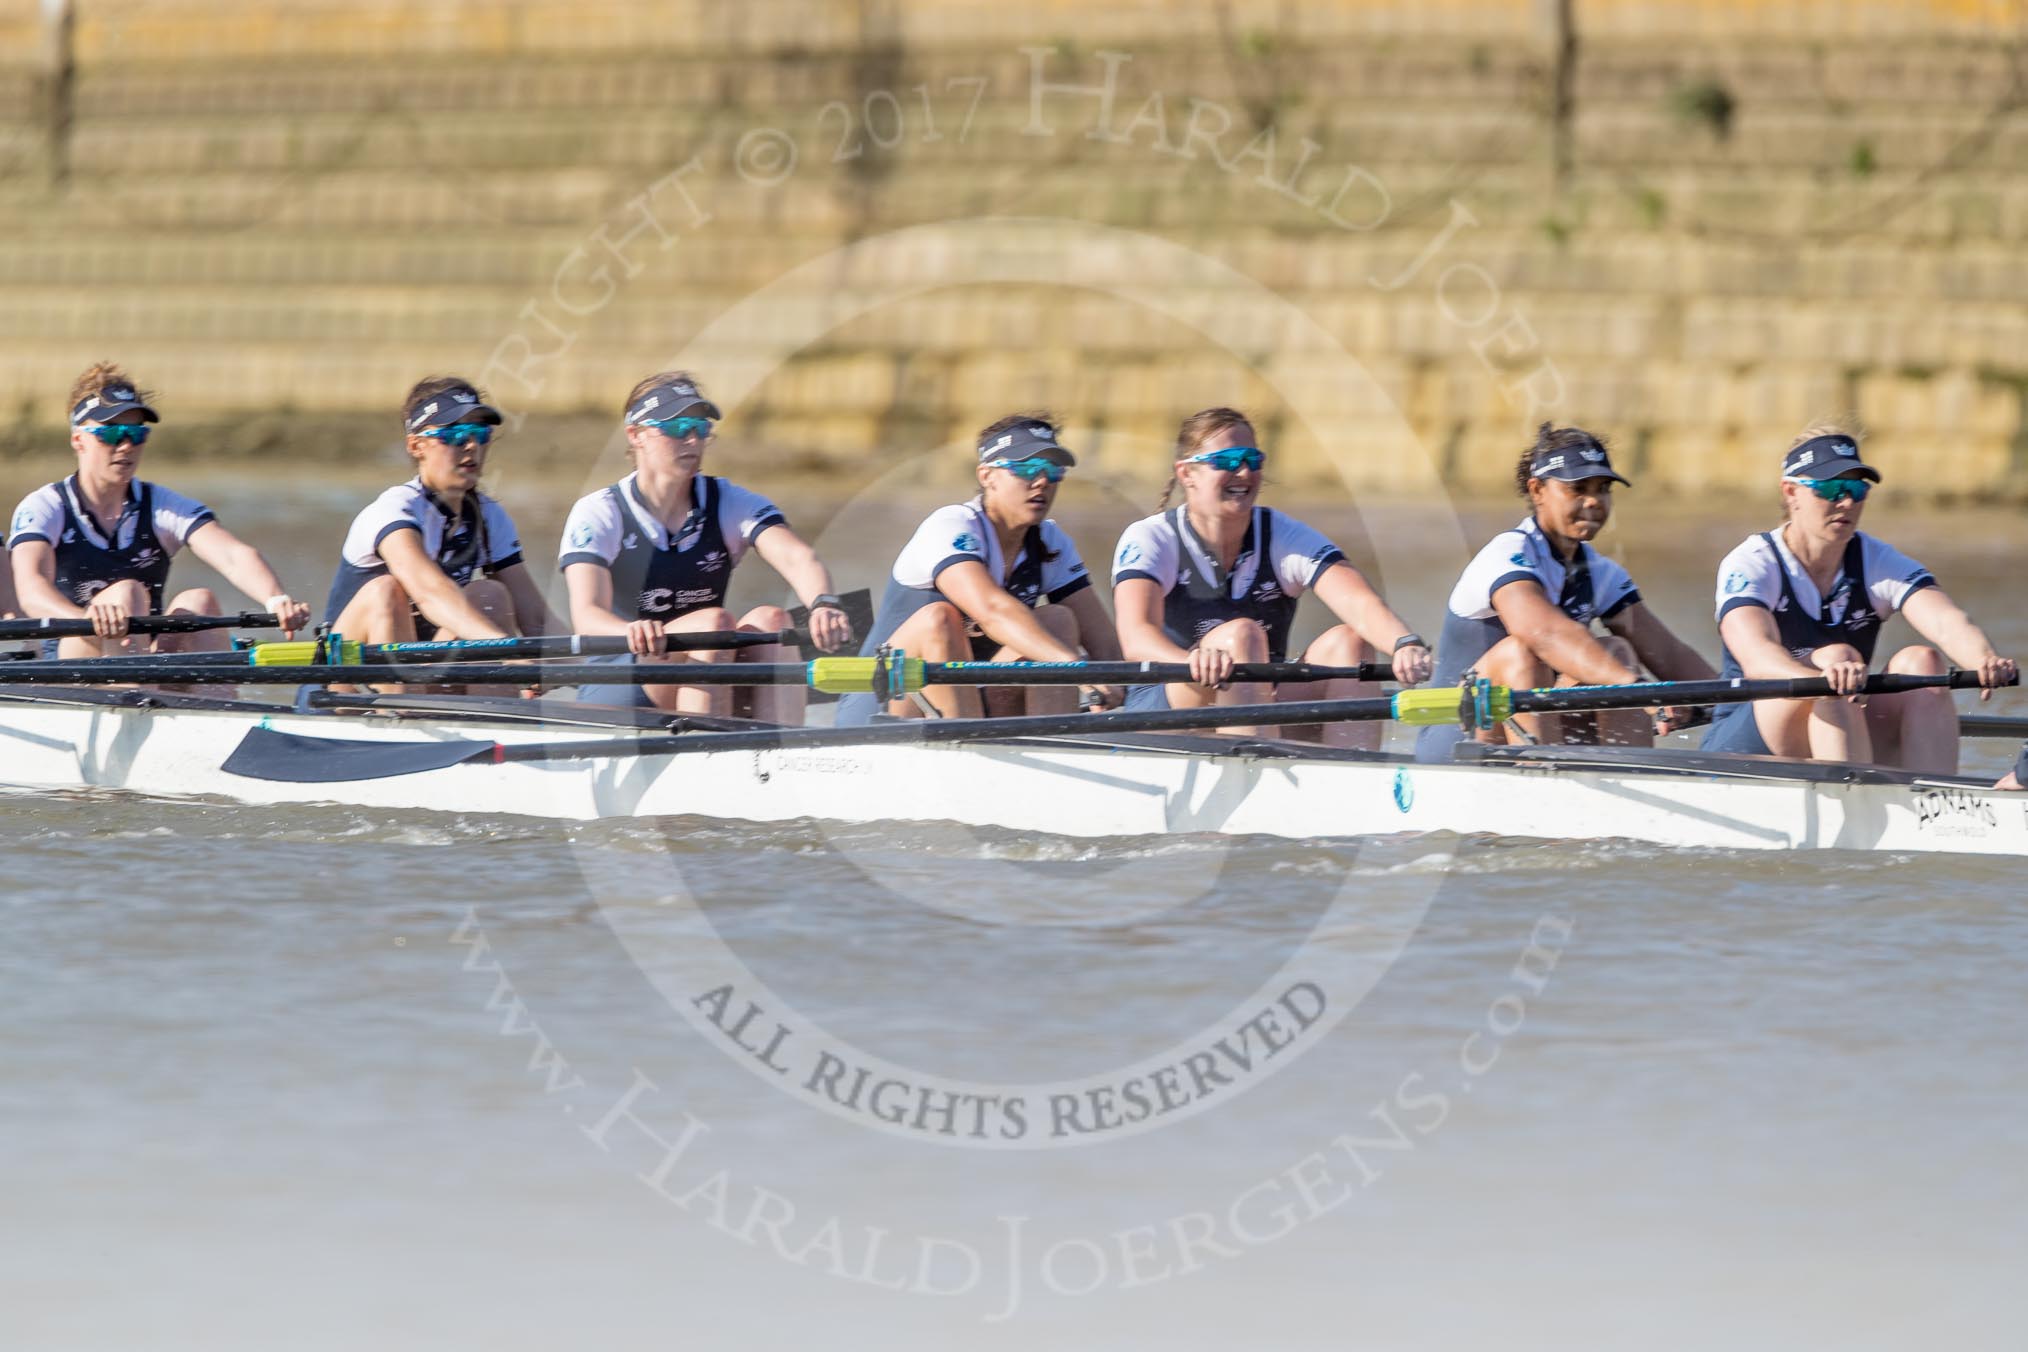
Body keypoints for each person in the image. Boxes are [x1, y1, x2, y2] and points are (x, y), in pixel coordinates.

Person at [1111, 406, 1430, 750]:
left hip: (1259, 699)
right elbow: (1136, 636)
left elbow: (1358, 602)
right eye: (1228, 461)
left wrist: (1404, 643)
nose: (1244, 472)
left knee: (1350, 643)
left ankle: (1351, 777)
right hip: (1169, 698)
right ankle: (1254, 772)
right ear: (1187, 473)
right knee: (1241, 634)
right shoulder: (1151, 538)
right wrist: (1189, 661)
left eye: (1253, 459)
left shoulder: (1280, 533)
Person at [1704, 425, 2014, 772]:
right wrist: (1824, 678)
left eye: (1856, 488)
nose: (1847, 501)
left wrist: (1983, 658)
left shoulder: (1875, 559)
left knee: (1922, 662)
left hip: (1839, 727)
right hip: (1745, 740)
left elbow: (1944, 621)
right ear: (1791, 492)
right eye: (1831, 488)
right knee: (1836, 659)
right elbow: (1757, 658)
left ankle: (1935, 807)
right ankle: (1855, 805)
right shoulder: (1752, 562)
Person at [559, 372, 851, 722]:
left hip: (701, 663)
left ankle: (781, 752)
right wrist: (631, 630)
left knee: (771, 621)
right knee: (714, 623)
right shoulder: (600, 511)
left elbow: (797, 557)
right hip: (620, 672)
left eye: (700, 427)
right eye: (678, 427)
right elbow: (586, 615)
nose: (693, 440)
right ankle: (706, 753)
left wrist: (823, 605)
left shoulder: (726, 500)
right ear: (636, 435)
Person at [1416, 423, 1714, 760]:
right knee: (1522, 652)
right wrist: (1639, 690)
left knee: (1616, 651)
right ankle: (1543, 779)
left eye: (1603, 489)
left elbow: (1669, 653)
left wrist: (1738, 700)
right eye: (1577, 488)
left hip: (1530, 732)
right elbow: (1542, 633)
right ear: (1537, 490)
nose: (1593, 501)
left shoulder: (1601, 573)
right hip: (1454, 741)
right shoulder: (1507, 554)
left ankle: (1627, 775)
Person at [8, 362, 310, 663]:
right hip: (69, 657)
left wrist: (276, 599)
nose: (126, 446)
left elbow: (233, 556)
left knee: (199, 602)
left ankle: (212, 703)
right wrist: (88, 620)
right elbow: (31, 591)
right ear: (78, 440)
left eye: (136, 434)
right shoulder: (46, 507)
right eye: (111, 434)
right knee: (126, 593)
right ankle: (136, 693)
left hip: (139, 654)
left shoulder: (160, 505)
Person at [834, 414, 1122, 726]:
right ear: (987, 475)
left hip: (971, 699)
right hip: (881, 708)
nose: (1041, 481)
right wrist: (1074, 667)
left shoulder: (1051, 541)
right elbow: (991, 611)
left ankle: (1058, 742)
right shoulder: (951, 525)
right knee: (940, 620)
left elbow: (1106, 645)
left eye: (1053, 470)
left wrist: (1126, 687)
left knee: (1057, 620)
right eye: (1025, 467)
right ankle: (967, 744)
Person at [324, 376, 556, 650]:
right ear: (416, 446)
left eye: (480, 434)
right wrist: (508, 650)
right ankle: (397, 694)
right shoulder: (394, 509)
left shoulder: (488, 515)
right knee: (385, 592)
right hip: (344, 678)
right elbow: (429, 593)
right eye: (455, 435)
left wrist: (584, 672)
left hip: (424, 672)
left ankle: (493, 692)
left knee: (488, 595)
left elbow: (537, 621)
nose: (471, 446)